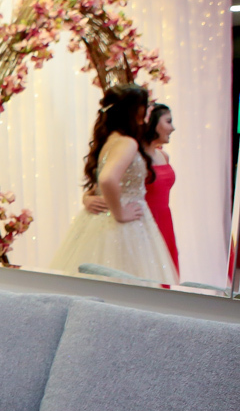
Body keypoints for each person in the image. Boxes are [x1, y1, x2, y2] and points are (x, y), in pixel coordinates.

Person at [51, 83, 177, 284]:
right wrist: (120, 213)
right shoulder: (127, 142)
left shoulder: (112, 139)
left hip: (116, 220)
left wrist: (90, 197)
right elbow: (107, 178)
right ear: (136, 110)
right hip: (125, 223)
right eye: (145, 106)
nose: (148, 111)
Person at [85, 103, 178, 274]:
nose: (172, 128)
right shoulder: (134, 156)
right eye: (168, 121)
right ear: (153, 122)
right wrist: (87, 198)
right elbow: (103, 184)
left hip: (164, 221)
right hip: (139, 221)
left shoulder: (163, 156)